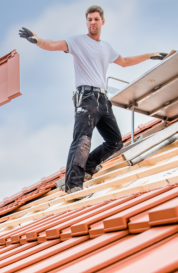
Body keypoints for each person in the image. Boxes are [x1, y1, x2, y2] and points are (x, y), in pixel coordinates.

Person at [19, 5, 167, 194]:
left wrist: (149, 55)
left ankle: (88, 166)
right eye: (89, 19)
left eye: (96, 19)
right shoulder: (78, 42)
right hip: (86, 98)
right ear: (86, 22)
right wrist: (38, 40)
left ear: (102, 22)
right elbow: (54, 45)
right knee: (82, 140)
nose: (93, 22)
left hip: (103, 99)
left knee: (115, 142)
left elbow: (124, 62)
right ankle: (73, 184)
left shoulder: (106, 47)